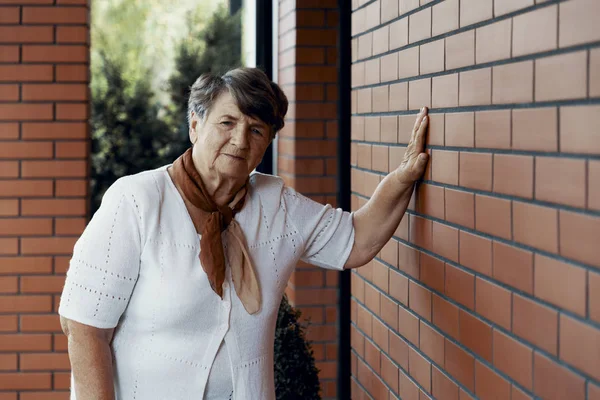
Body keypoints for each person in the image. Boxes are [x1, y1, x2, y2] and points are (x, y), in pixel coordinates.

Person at [58, 67, 429, 400]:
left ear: (266, 143)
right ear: (194, 125)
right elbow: (84, 327)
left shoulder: (276, 203)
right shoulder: (136, 200)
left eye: (256, 130)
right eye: (227, 123)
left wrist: (403, 178)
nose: (240, 140)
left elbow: (358, 239)